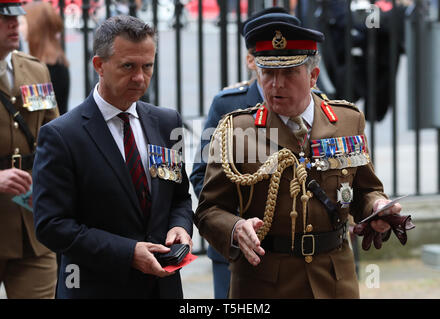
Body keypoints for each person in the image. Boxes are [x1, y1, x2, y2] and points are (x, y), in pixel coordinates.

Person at [194, 12, 405, 298]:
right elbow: (208, 209)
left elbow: (364, 189)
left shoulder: (346, 120)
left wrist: (376, 206)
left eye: (289, 73)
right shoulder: (235, 129)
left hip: (333, 280)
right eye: (268, 73)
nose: (276, 84)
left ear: (313, 76)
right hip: (263, 282)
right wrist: (235, 228)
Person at [32, 15, 193, 299]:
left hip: (162, 288)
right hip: (95, 288)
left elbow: (179, 196)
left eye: (148, 66)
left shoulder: (167, 122)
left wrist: (180, 227)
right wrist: (128, 252)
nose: (140, 78)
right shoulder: (62, 135)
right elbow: (51, 225)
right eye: (128, 66)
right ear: (99, 66)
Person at [190, 6, 287, 299]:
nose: (278, 75)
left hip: (293, 252)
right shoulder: (227, 105)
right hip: (237, 251)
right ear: (250, 60)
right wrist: (234, 225)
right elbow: (200, 173)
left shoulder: (313, 104)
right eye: (268, 64)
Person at [0, 0, 59, 299]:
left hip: (31, 230)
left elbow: (56, 141)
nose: (13, 23)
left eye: (15, 17)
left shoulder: (36, 71)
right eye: (2, 17)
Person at [21, 1, 70, 115]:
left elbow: (37, 116)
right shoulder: (54, 62)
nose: (19, 28)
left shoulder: (50, 67)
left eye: (23, 23)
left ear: (35, 27)